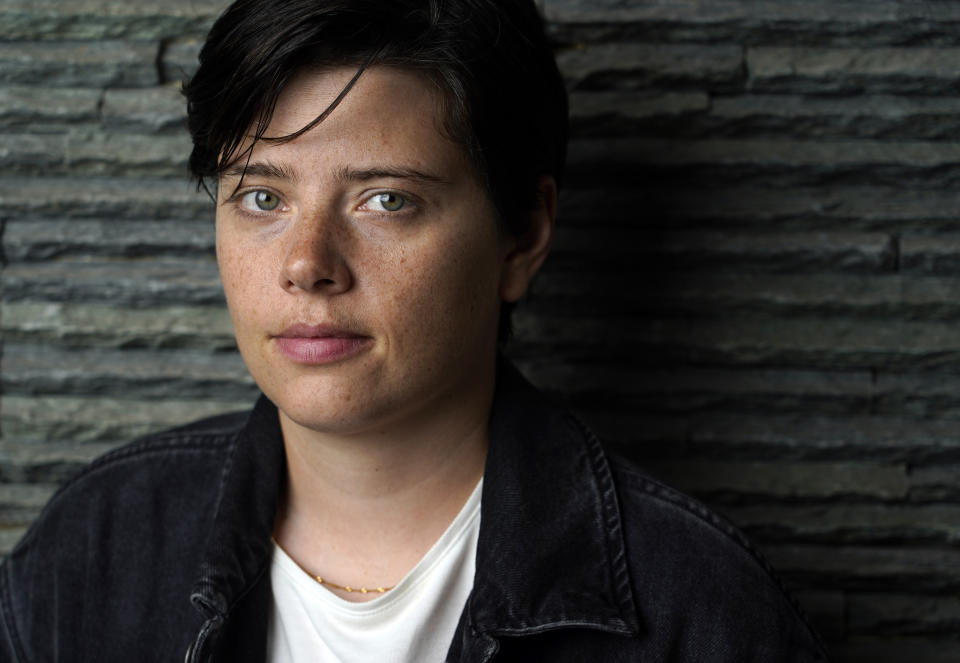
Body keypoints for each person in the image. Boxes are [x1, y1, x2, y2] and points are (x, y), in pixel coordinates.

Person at [0, 0, 830, 661]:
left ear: (523, 235)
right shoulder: (95, 550)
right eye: (262, 197)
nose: (307, 264)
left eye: (386, 199)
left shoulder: (695, 610)